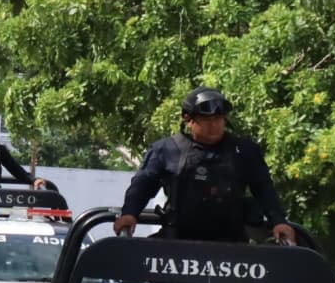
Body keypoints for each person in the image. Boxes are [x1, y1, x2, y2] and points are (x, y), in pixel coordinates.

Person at [112, 86, 296, 244]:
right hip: (176, 243)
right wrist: (130, 213)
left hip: (232, 246)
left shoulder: (245, 151)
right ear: (188, 119)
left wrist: (279, 221)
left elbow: (264, 189)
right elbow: (143, 184)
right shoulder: (166, 149)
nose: (214, 125)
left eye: (219, 119)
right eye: (207, 120)